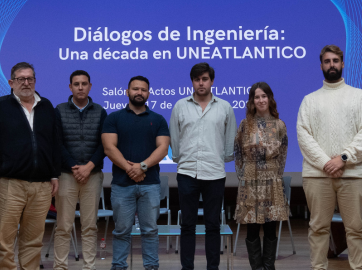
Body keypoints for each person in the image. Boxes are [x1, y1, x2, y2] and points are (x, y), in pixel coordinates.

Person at [297, 45, 362, 270]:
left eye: (335, 61)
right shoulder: (309, 100)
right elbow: (304, 136)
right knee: (318, 228)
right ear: (321, 65)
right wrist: (326, 163)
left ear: (342, 64)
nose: (331, 65)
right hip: (317, 175)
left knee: (356, 229)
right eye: (327, 61)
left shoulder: (360, 96)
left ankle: (359, 268)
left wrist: (343, 158)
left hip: (354, 175)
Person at [0, 62, 62, 270]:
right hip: (9, 183)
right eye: (21, 79)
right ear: (11, 82)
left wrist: (54, 174)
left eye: (30, 78)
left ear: (35, 81)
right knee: (4, 243)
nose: (26, 83)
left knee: (33, 241)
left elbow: (55, 143)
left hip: (41, 186)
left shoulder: (47, 106)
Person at [170, 62, 237, 270]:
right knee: (187, 225)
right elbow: (175, 139)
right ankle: (187, 267)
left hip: (215, 173)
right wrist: (181, 158)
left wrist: (224, 158)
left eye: (205, 79)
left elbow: (229, 141)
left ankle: (213, 267)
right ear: (192, 81)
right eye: (197, 79)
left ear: (212, 81)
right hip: (187, 172)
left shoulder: (225, 107)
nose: (201, 83)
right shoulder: (180, 106)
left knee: (213, 225)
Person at [102, 76, 170, 270]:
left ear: (148, 93)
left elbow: (163, 148)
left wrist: (142, 167)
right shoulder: (114, 118)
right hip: (122, 185)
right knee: (121, 230)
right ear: (127, 92)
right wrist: (130, 169)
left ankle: (151, 267)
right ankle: (119, 267)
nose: (139, 93)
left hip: (150, 185)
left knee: (150, 230)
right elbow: (109, 148)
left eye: (143, 90)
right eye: (135, 89)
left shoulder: (158, 119)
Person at [53, 70, 108, 270]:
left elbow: (105, 145)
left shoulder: (100, 111)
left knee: (90, 226)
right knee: (64, 226)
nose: (81, 87)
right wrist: (74, 167)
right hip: (66, 175)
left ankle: (89, 267)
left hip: (92, 175)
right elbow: (56, 143)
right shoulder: (58, 110)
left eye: (84, 83)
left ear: (90, 86)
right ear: (70, 87)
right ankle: (60, 266)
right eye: (76, 84)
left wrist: (89, 167)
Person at [234, 82, 289, 270]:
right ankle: (256, 268)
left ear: (270, 98)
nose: (261, 100)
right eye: (257, 97)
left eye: (264, 96)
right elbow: (238, 154)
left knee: (271, 227)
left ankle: (269, 267)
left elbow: (282, 155)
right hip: (250, 179)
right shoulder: (244, 125)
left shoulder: (280, 125)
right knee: (251, 227)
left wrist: (275, 176)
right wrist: (244, 176)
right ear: (252, 101)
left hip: (272, 179)